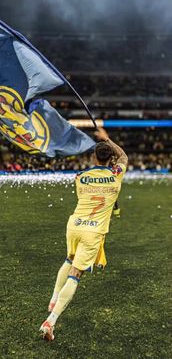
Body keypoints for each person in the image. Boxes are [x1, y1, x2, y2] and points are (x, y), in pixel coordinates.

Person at [40, 127, 128, 341]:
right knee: (76, 274)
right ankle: (50, 321)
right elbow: (124, 156)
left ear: (93, 156)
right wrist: (106, 138)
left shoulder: (80, 177)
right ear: (111, 159)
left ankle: (53, 298)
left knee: (68, 260)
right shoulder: (116, 174)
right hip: (93, 231)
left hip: (75, 224)